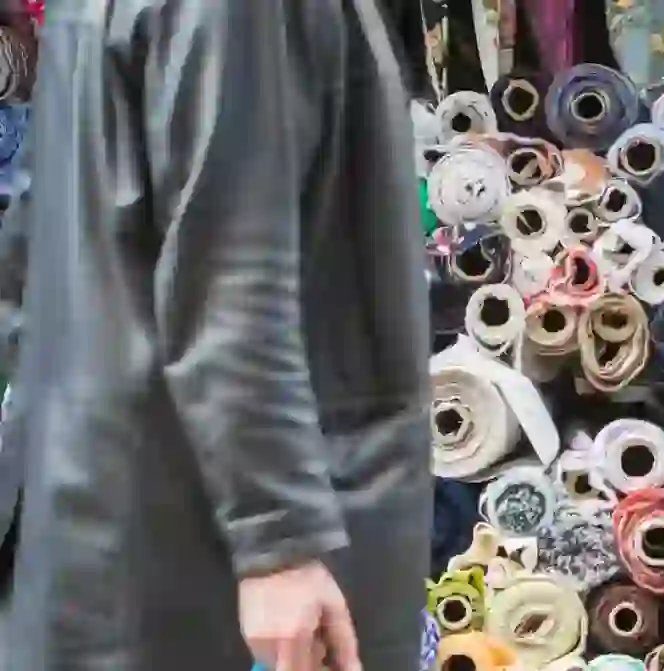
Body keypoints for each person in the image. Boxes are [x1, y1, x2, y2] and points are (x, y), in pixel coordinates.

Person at [0, 1, 432, 670]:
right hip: (185, 548)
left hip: (99, 517)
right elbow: (231, 273)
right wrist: (278, 540)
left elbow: (31, 231)